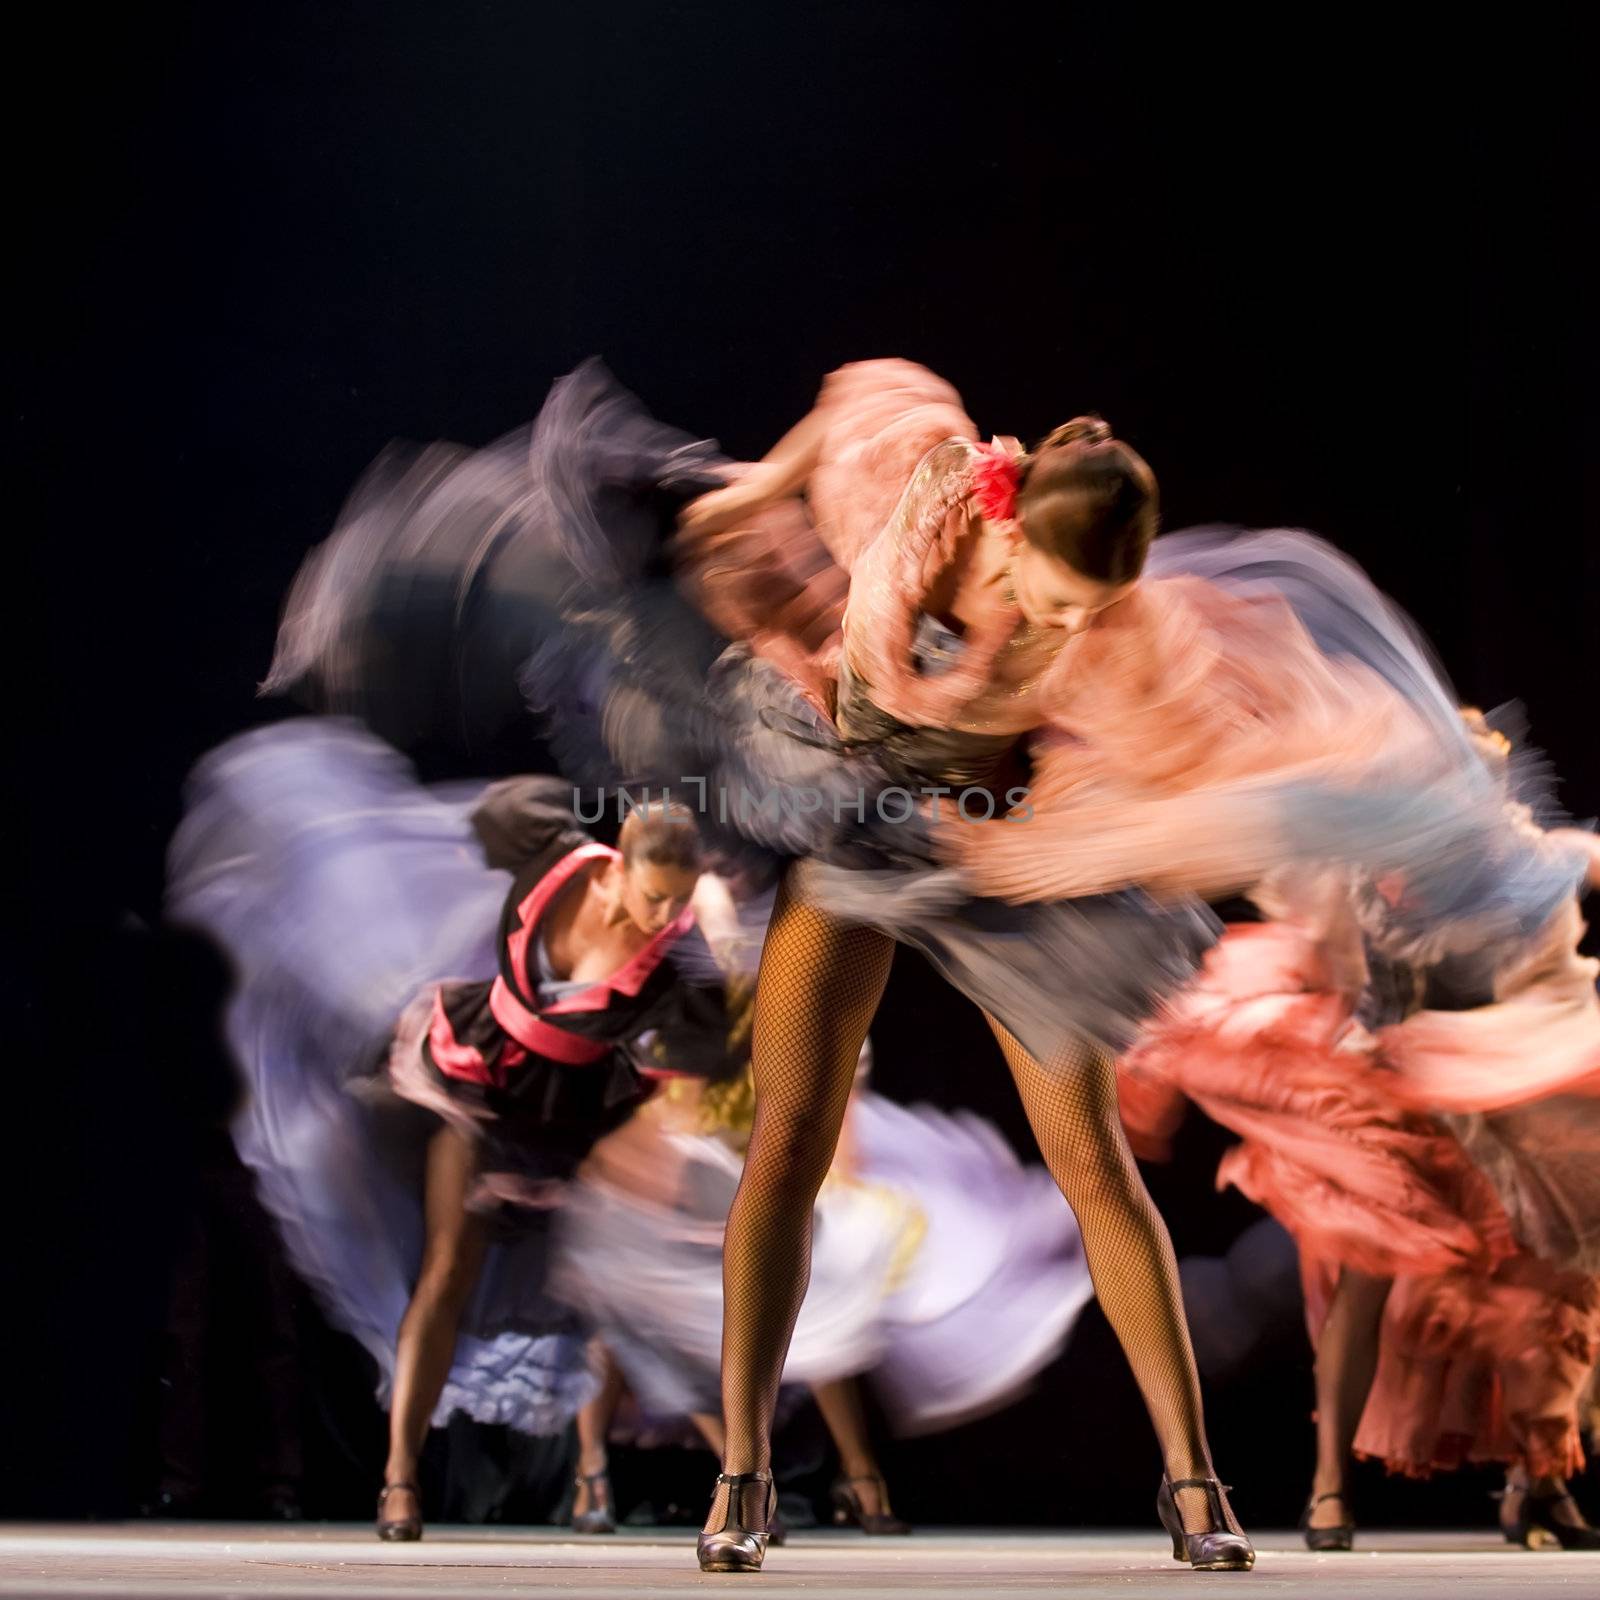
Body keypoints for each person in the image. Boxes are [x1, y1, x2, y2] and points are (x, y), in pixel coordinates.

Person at [168, 720, 745, 1542]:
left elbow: (711, 1046)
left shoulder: (677, 954)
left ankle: (736, 1474)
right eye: (655, 898)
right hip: (479, 1082)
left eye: (678, 904)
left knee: (623, 1295)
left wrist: (716, 937)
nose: (663, 918)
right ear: (618, 869)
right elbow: (447, 842)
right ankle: (398, 1480)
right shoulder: (548, 848)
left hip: (579, 1112)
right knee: (445, 1270)